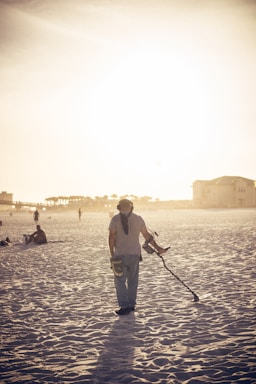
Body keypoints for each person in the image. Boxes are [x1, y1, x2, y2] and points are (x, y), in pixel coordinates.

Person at [108, 199, 168, 315]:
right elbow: (147, 236)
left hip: (120, 254)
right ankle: (131, 305)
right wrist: (158, 248)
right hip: (134, 254)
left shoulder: (115, 219)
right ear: (131, 207)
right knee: (133, 281)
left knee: (120, 281)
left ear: (119, 208)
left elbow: (111, 237)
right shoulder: (138, 218)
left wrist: (112, 254)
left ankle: (124, 306)